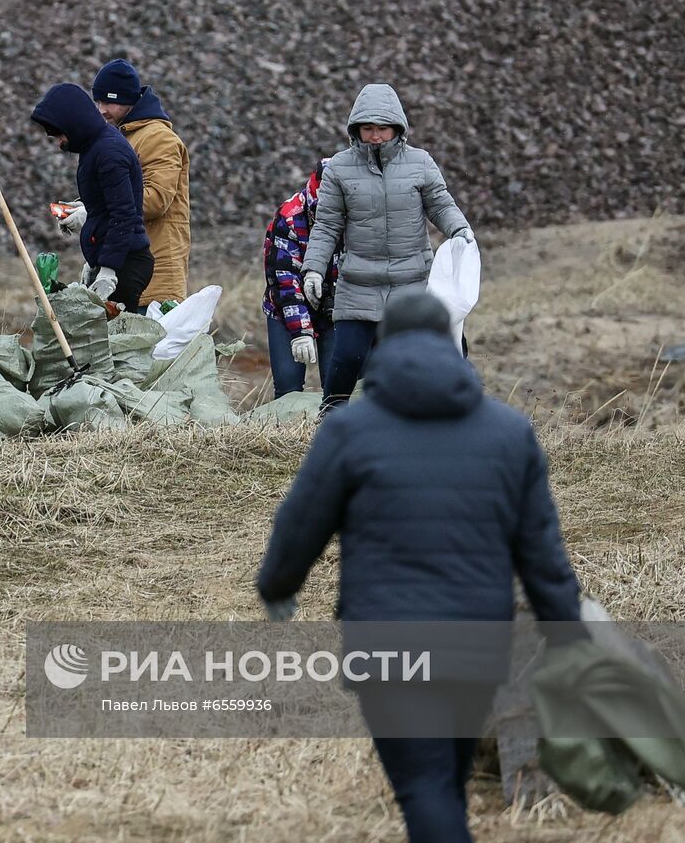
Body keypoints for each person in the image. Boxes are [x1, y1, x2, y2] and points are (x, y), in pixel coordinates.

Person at [254, 292, 583, 843]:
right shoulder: (509, 433)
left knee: (425, 787)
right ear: (451, 346)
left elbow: (301, 524)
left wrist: (277, 586)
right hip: (478, 642)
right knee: (444, 782)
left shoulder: (350, 431)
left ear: (381, 347)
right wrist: (568, 634)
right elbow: (542, 551)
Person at [301, 83, 474, 409]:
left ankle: (459, 411)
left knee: (441, 351)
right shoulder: (338, 168)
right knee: (348, 356)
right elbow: (327, 224)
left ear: (397, 127)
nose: (376, 136)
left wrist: (461, 230)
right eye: (368, 128)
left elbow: (440, 205)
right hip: (358, 283)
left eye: (382, 128)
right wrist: (313, 268)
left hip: (414, 282)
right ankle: (331, 418)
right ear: (356, 129)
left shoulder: (420, 162)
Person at [31, 83, 153, 311]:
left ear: (73, 123)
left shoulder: (108, 152)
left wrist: (108, 270)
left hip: (125, 265)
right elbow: (108, 203)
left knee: (114, 344)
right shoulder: (95, 147)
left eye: (59, 134)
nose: (59, 142)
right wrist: (86, 211)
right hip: (116, 260)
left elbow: (124, 215)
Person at [86, 58, 191, 307]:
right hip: (128, 271)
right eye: (98, 102)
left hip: (155, 277)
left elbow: (155, 201)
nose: (101, 110)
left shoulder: (159, 139)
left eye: (108, 101)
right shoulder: (125, 137)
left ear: (127, 99)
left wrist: (94, 211)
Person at [263, 160, 338, 397]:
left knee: (339, 385)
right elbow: (284, 279)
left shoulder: (359, 215)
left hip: (337, 309)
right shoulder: (290, 216)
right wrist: (300, 332)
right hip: (286, 306)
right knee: (287, 386)